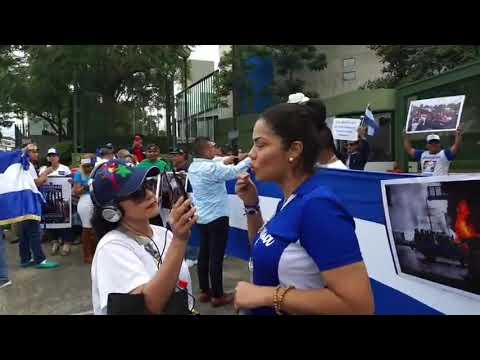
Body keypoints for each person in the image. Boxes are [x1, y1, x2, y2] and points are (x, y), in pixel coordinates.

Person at [233, 101, 374, 315]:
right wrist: (251, 205)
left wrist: (264, 295)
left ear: (294, 150)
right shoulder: (289, 201)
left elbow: (359, 306)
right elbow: (262, 246)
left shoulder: (318, 206)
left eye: (260, 145)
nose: (251, 154)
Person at [90, 160, 197, 315]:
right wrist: (179, 241)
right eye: (136, 194)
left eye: (147, 185)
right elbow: (146, 307)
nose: (149, 194)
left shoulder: (164, 233)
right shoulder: (111, 248)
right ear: (112, 211)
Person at [188, 137, 252, 307]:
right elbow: (234, 172)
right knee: (216, 257)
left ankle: (204, 291)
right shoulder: (210, 169)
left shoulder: (194, 166)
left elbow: (221, 161)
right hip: (217, 217)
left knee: (204, 253)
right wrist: (252, 158)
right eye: (213, 146)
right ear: (206, 150)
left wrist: (240, 156)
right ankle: (218, 295)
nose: (216, 149)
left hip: (202, 217)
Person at [19, 144, 59, 269]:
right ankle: (39, 260)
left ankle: (25, 259)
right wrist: (46, 173)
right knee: (34, 232)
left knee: (25, 232)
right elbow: (35, 183)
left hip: (24, 202)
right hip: (30, 201)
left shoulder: (22, 164)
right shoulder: (28, 165)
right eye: (34, 151)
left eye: (37, 150)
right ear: (27, 152)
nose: (36, 153)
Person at [38, 148, 74, 256]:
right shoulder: (43, 169)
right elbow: (39, 182)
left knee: (65, 220)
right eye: (50, 155)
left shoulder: (65, 168)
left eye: (54, 155)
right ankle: (55, 243)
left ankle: (67, 243)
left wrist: (71, 182)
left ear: (58, 157)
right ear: (48, 157)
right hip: (49, 200)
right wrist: (45, 172)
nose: (52, 157)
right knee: (50, 222)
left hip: (63, 200)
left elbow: (71, 182)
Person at [74, 154, 97, 264]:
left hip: (97, 201)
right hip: (85, 201)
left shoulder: (98, 172)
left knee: (96, 229)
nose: (89, 168)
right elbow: (76, 191)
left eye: (91, 165)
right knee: (87, 229)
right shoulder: (79, 174)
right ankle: (87, 255)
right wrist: (88, 186)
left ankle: (94, 253)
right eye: (86, 166)